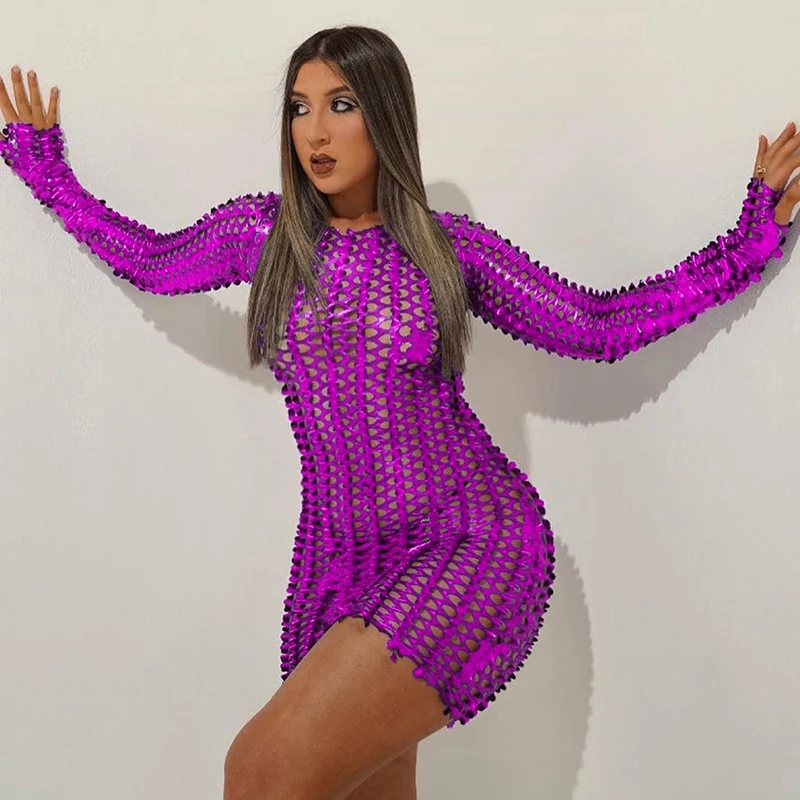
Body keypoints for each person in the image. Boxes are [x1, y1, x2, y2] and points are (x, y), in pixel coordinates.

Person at [1, 24, 797, 800]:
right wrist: (46, 170)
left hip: (466, 546)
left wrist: (747, 242)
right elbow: (152, 260)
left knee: (261, 772)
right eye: (299, 107)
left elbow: (595, 326)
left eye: (341, 104)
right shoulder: (264, 236)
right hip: (338, 563)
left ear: (385, 114)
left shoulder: (449, 251)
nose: (315, 131)